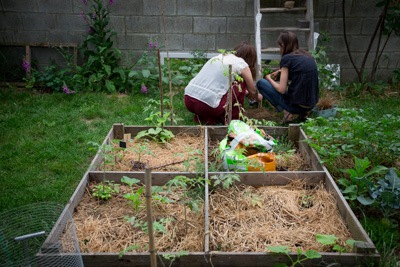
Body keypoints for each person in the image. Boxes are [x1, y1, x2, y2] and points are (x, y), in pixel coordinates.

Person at [184, 42, 262, 125]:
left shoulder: (219, 57)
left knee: (231, 84)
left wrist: (246, 93)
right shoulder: (242, 64)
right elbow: (252, 90)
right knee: (240, 83)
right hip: (208, 107)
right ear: (251, 59)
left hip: (189, 100)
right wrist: (258, 97)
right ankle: (234, 120)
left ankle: (204, 118)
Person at [256, 31, 319, 122]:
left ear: (283, 45)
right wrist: (280, 71)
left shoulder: (287, 59)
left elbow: (281, 89)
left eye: (280, 46)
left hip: (297, 106)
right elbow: (301, 71)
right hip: (311, 104)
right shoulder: (307, 55)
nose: (280, 49)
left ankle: (287, 112)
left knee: (261, 83)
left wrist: (268, 78)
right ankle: (303, 115)